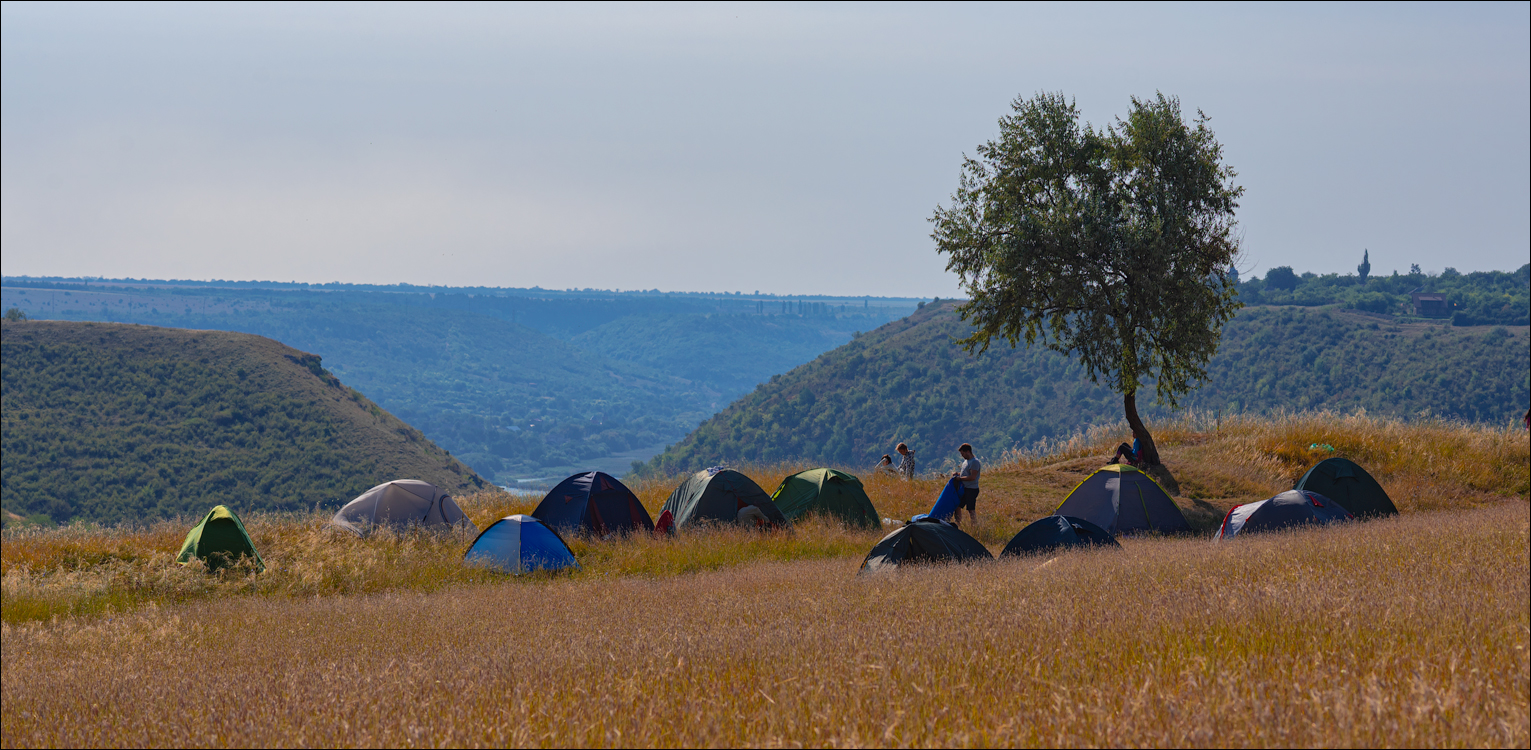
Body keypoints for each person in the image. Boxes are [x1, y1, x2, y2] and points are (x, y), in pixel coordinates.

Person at [951, 443, 981, 528]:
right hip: (964, 488)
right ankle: (958, 525)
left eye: (963, 454)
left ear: (968, 451)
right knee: (957, 506)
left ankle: (974, 526)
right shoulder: (966, 462)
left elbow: (972, 477)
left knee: (971, 509)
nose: (962, 456)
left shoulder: (974, 462)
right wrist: (958, 474)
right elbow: (966, 474)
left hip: (971, 489)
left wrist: (960, 479)